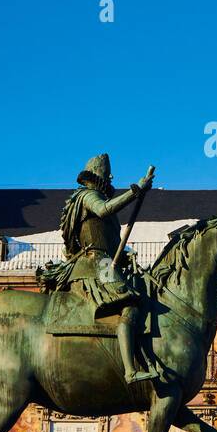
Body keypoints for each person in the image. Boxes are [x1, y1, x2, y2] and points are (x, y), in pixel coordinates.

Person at [57, 153, 162, 384]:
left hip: (104, 261)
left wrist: (125, 255)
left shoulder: (90, 197)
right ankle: (130, 370)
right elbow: (104, 210)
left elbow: (108, 239)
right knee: (130, 304)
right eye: (107, 173)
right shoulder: (87, 195)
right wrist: (136, 190)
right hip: (96, 264)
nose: (111, 177)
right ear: (97, 174)